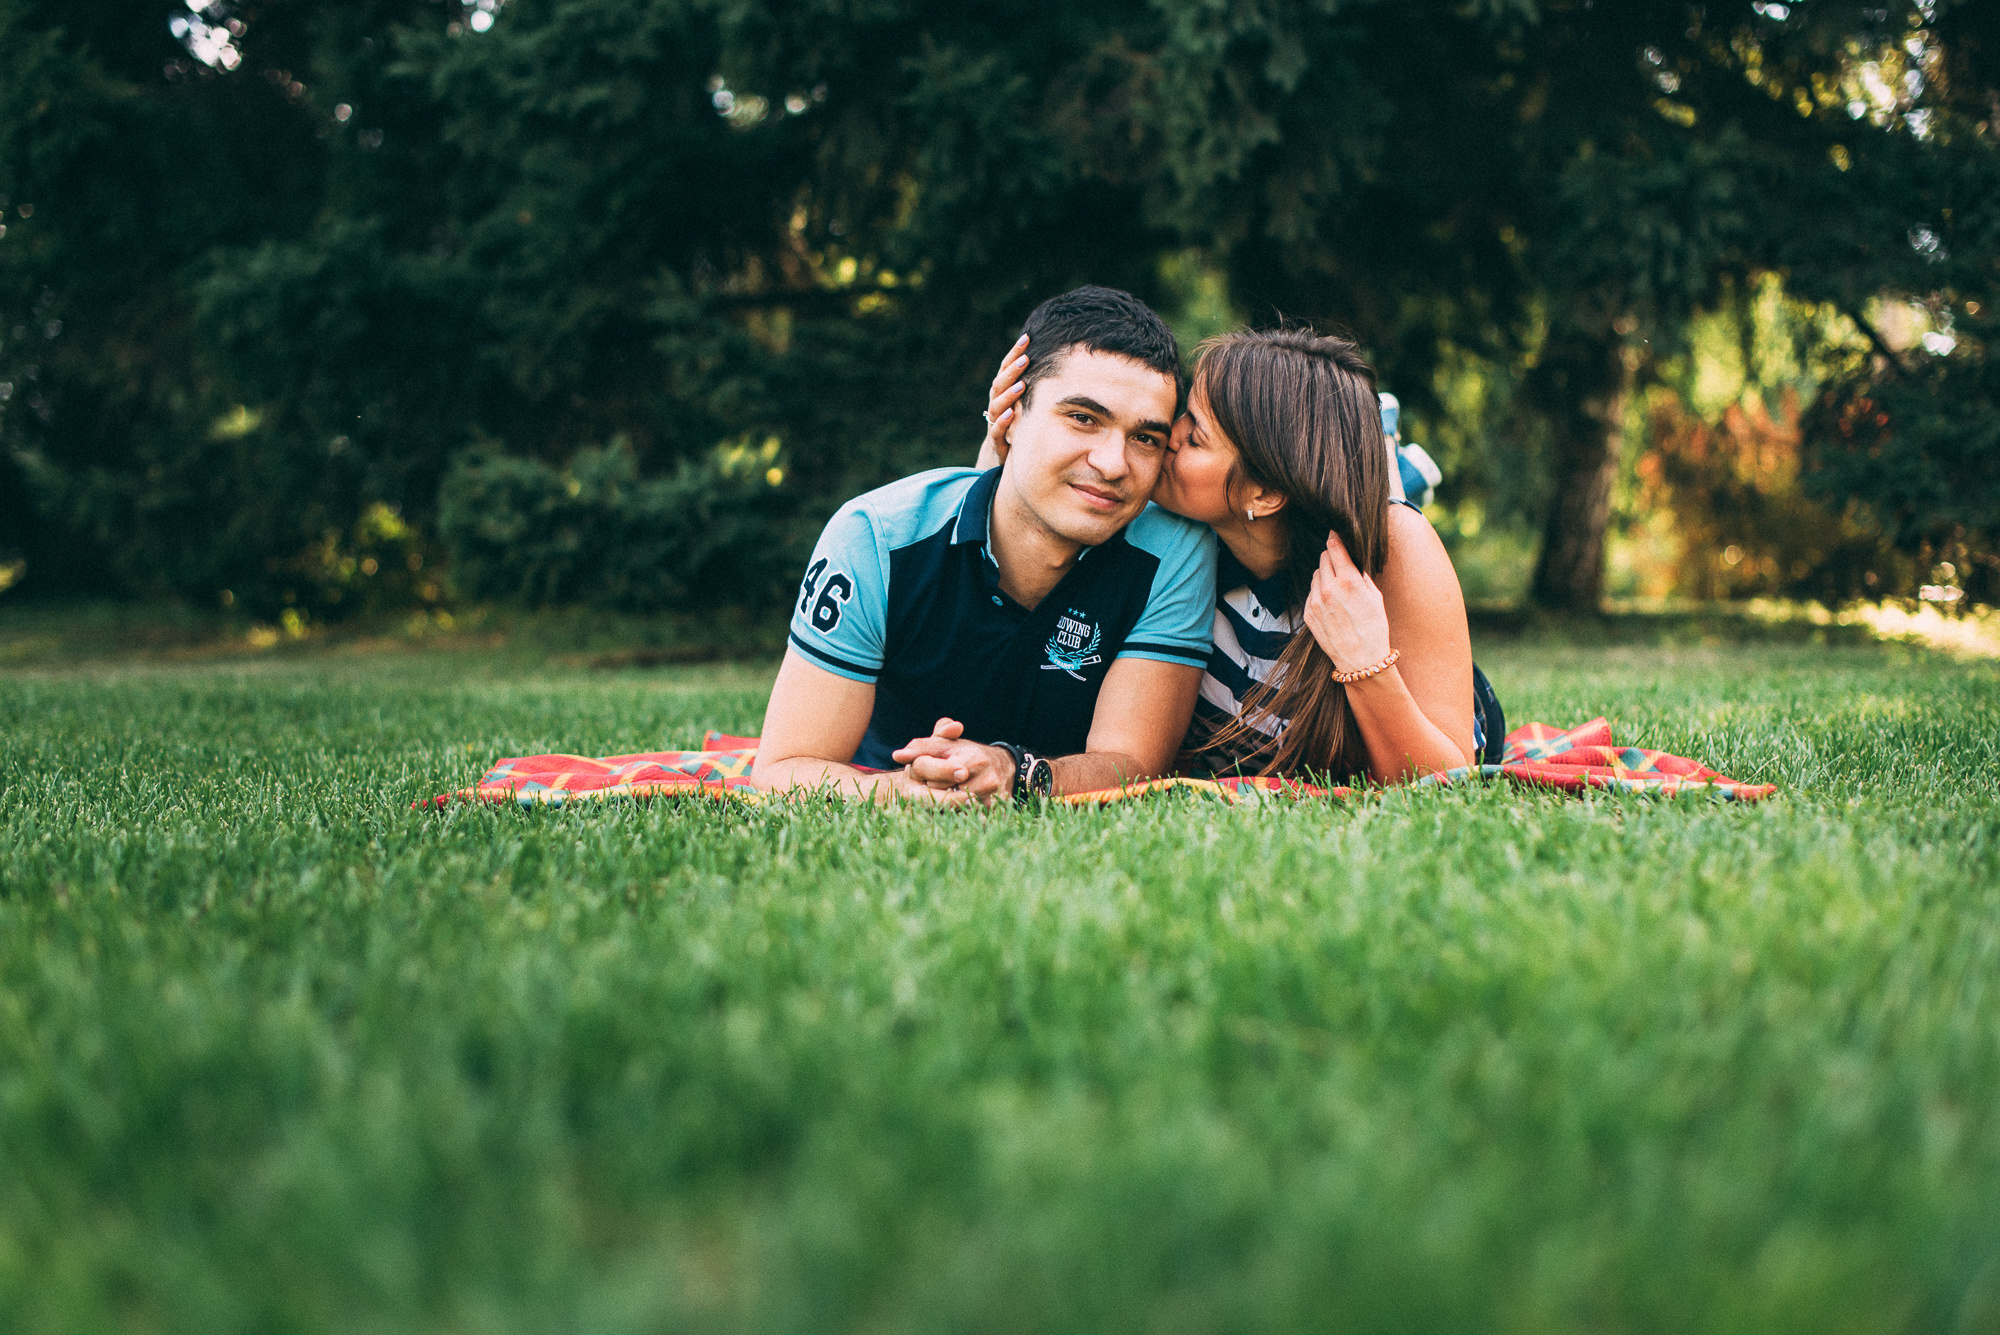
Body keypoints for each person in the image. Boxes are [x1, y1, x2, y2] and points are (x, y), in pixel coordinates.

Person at [751, 286, 1218, 805]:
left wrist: (1015, 771)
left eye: (1145, 438)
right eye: (1083, 418)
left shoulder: (1172, 551)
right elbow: (783, 769)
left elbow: (1133, 763)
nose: (1113, 464)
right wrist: (902, 791)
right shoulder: (876, 536)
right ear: (1010, 412)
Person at [978, 324, 1502, 784]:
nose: (1167, 437)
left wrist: (1364, 661)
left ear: (1264, 494)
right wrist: (1009, 455)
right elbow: (1009, 576)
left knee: (1387, 500)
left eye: (1197, 436)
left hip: (1415, 694)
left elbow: (1446, 778)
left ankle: (1386, 457)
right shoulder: (1154, 526)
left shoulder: (1393, 548)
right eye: (1183, 415)